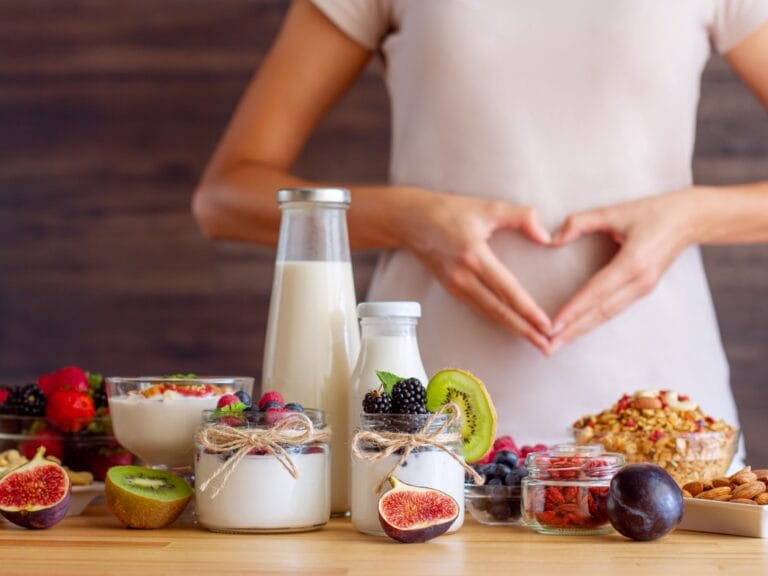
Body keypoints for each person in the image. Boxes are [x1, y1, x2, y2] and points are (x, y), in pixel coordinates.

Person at [193, 0, 768, 450]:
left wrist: (688, 216)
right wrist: (409, 219)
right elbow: (225, 196)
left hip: (674, 439)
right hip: (421, 437)